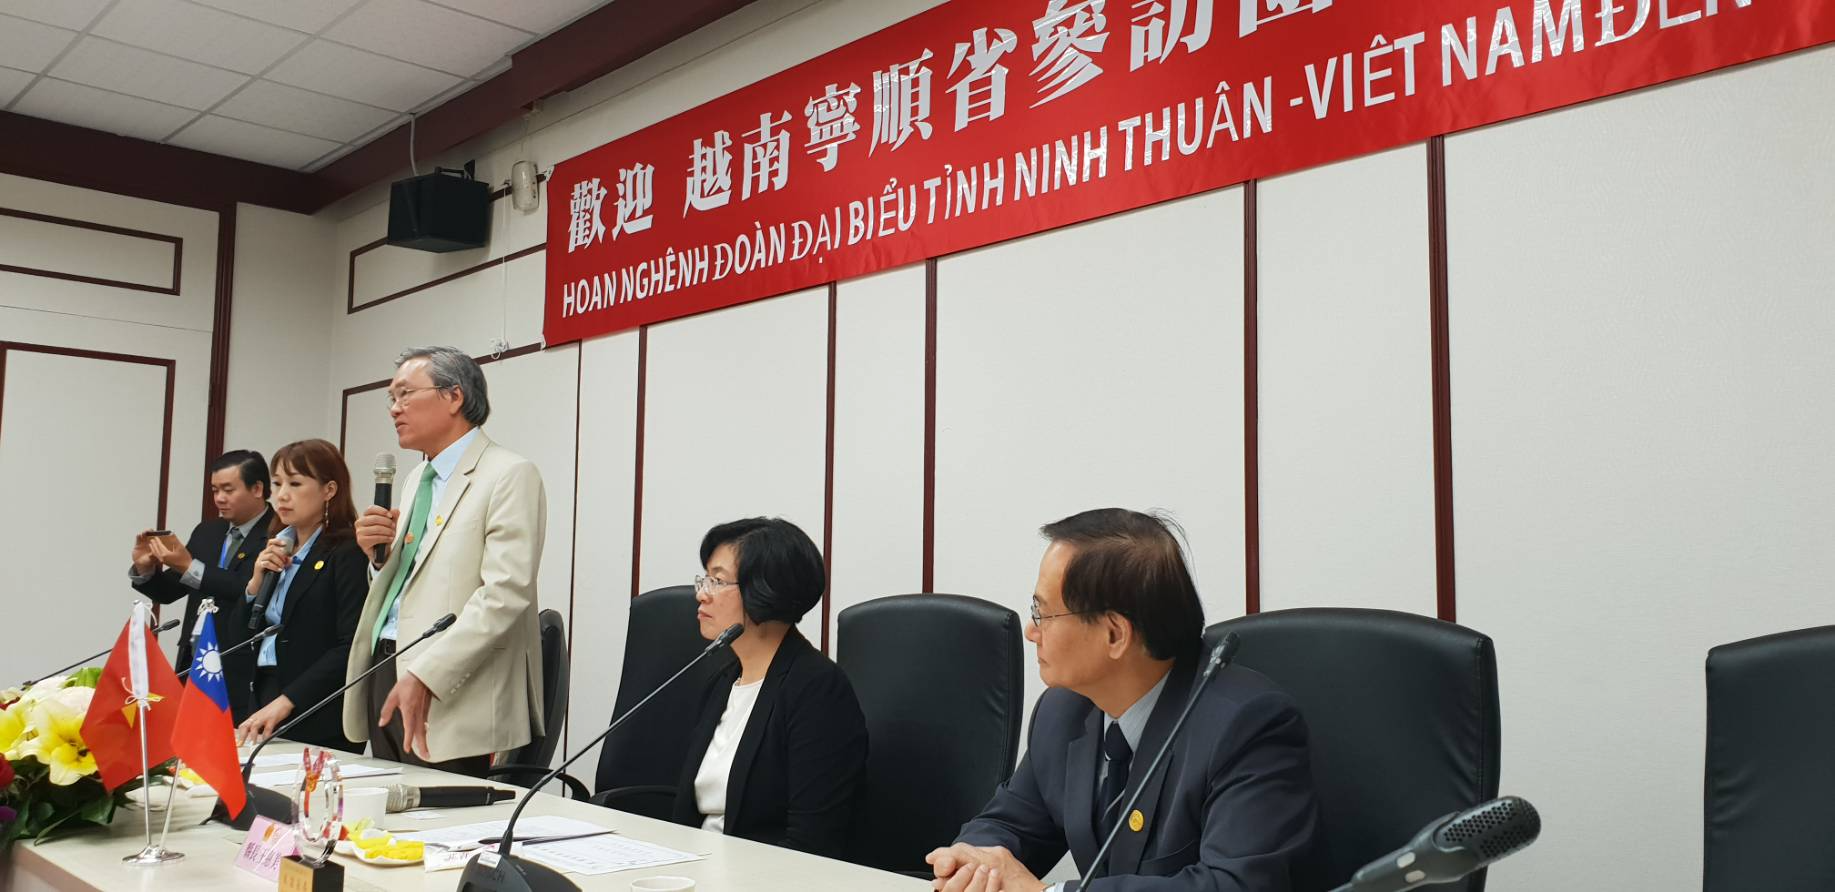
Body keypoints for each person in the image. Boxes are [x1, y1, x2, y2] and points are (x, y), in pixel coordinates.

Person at [926, 509, 1319, 892]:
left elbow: (1235, 884)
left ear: (1115, 634)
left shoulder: (1246, 724)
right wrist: (972, 861)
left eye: (1043, 613)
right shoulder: (1063, 710)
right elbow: (1011, 823)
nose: (1031, 630)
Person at [342, 346, 546, 776]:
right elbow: (412, 581)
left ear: (454, 396)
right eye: (391, 398)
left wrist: (428, 674)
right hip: (386, 664)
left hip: (450, 685)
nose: (394, 408)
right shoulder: (418, 477)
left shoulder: (508, 473)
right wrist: (378, 560)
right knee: (390, 809)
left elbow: (505, 594)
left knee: (437, 813)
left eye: (405, 394)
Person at [670, 518, 867, 859]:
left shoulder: (816, 689)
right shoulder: (722, 681)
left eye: (718, 580)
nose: (701, 594)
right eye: (705, 579)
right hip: (696, 867)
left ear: (765, 589)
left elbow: (812, 842)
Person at [235, 440, 366, 751]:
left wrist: (288, 700)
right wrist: (254, 584)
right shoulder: (275, 546)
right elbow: (238, 636)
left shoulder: (348, 551)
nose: (281, 495)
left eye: (294, 484)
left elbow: (351, 645)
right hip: (264, 695)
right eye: (277, 483)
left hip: (316, 708)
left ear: (329, 490)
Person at [131, 449, 274, 722]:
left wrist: (189, 566)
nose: (219, 498)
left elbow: (246, 589)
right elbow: (170, 591)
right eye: (215, 490)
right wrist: (145, 569)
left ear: (257, 489)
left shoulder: (277, 534)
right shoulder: (208, 531)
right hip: (194, 659)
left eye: (228, 490)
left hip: (240, 665)